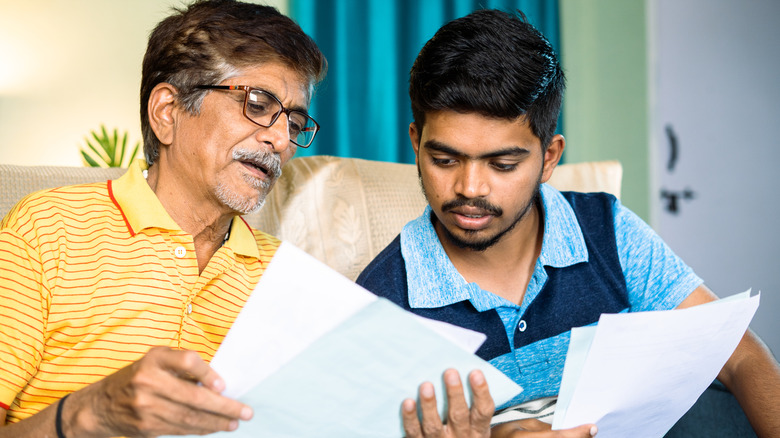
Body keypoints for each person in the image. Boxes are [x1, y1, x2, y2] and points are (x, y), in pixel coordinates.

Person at [356, 9, 780, 438]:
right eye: (444, 160)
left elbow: (737, 354)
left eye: (502, 164)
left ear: (549, 158)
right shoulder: (380, 301)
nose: (469, 187)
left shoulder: (607, 232)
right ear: (415, 142)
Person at [0, 1, 325, 436]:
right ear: (167, 112)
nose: (282, 140)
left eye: (294, 121)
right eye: (259, 103)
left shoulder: (287, 278)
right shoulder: (44, 229)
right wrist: (90, 414)